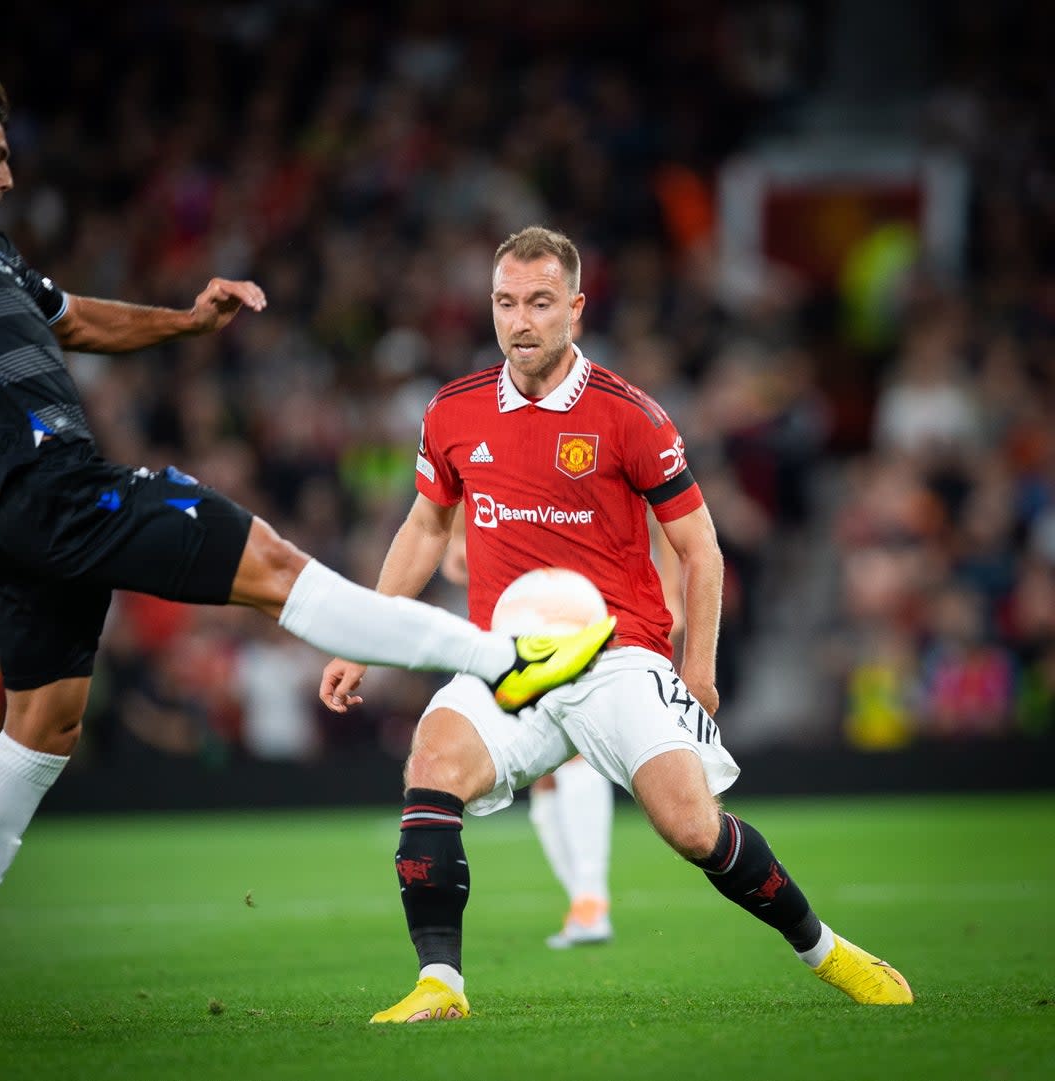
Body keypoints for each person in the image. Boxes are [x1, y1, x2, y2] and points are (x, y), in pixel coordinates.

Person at [0, 69, 614, 1039]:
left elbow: (77, 319)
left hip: (17, 519)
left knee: (44, 722)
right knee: (274, 568)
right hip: (54, 486)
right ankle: (505, 659)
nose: (9, 173)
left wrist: (185, 320)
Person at [319, 225, 913, 1022]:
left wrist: (696, 668)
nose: (520, 320)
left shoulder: (628, 415)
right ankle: (441, 985)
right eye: (505, 302)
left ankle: (829, 951)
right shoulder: (452, 411)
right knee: (431, 762)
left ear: (576, 308)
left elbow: (700, 547)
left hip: (617, 655)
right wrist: (362, 640)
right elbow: (427, 528)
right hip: (508, 660)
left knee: (692, 827)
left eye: (538, 302)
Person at [442, 503, 615, 949]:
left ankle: (591, 903)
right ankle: (585, 904)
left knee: (570, 747)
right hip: (517, 599)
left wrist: (670, 585)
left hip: (573, 590)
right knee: (546, 775)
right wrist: (463, 536)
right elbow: (463, 485)